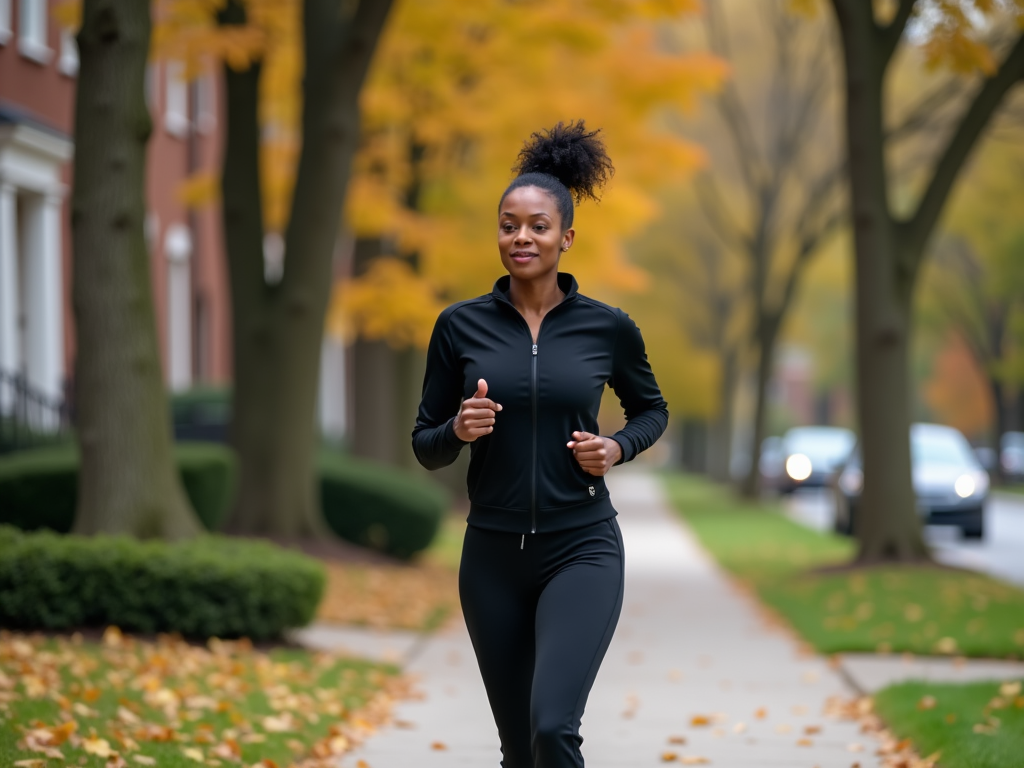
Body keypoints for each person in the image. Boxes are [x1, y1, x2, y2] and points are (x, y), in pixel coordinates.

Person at [411, 120, 669, 767]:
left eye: (537, 225)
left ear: (566, 237)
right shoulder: (458, 326)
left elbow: (651, 410)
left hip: (580, 547)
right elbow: (425, 442)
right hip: (492, 556)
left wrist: (615, 448)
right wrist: (457, 431)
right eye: (508, 224)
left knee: (552, 727)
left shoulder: (606, 328)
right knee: (518, 750)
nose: (520, 237)